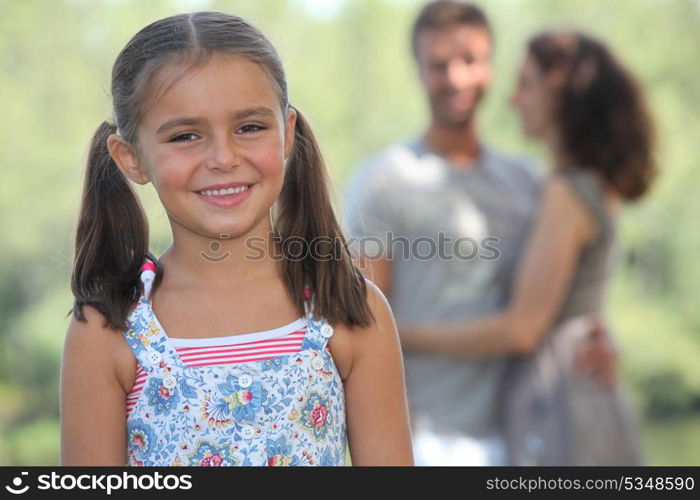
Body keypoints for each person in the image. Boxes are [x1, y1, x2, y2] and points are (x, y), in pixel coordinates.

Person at [60, 11, 413, 467]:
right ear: (130, 159)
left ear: (287, 134)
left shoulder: (349, 311)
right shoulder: (110, 329)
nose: (223, 158)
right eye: (185, 136)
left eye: (249, 127)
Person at [343, 0, 617, 466]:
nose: (455, 79)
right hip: (429, 438)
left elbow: (554, 301)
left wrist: (597, 343)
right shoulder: (384, 180)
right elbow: (361, 323)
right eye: (438, 65)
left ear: (491, 64)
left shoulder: (528, 183)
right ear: (417, 69)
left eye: (469, 60)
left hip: (529, 433)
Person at [401, 29, 655, 465]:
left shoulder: (568, 193)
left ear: (559, 94)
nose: (514, 99)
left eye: (526, 84)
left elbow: (522, 329)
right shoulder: (579, 185)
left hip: (564, 406)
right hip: (571, 393)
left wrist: (400, 334)